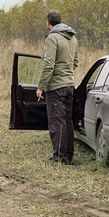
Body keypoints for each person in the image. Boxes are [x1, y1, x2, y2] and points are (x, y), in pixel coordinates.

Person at [36, 10, 79, 164]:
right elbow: (75, 62)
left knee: (56, 122)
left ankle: (59, 158)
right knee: (67, 121)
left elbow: (48, 65)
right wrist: (65, 74)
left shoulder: (52, 38)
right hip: (69, 85)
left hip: (56, 87)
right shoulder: (72, 38)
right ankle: (68, 156)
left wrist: (41, 86)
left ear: (48, 22)